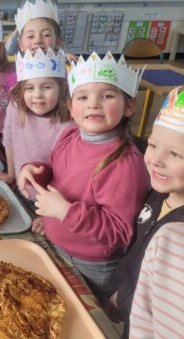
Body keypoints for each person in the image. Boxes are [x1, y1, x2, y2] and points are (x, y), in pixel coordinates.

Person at [18, 52, 150, 303]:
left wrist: (64, 213)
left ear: (129, 106)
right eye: (83, 97)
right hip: (57, 242)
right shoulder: (69, 136)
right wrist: (34, 170)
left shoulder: (125, 164)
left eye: (107, 96)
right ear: (71, 107)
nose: (93, 104)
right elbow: (58, 173)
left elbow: (119, 233)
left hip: (91, 266)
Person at [109, 86, 184, 338]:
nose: (155, 159)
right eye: (152, 145)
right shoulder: (157, 195)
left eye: (175, 154)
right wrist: (123, 291)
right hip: (131, 309)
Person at [0, 48, 73, 191]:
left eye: (47, 87)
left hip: (51, 197)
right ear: (21, 90)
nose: (37, 95)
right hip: (22, 188)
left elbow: (69, 169)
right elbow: (9, 141)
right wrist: (11, 175)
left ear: (62, 89)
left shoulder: (70, 122)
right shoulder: (15, 107)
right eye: (30, 88)